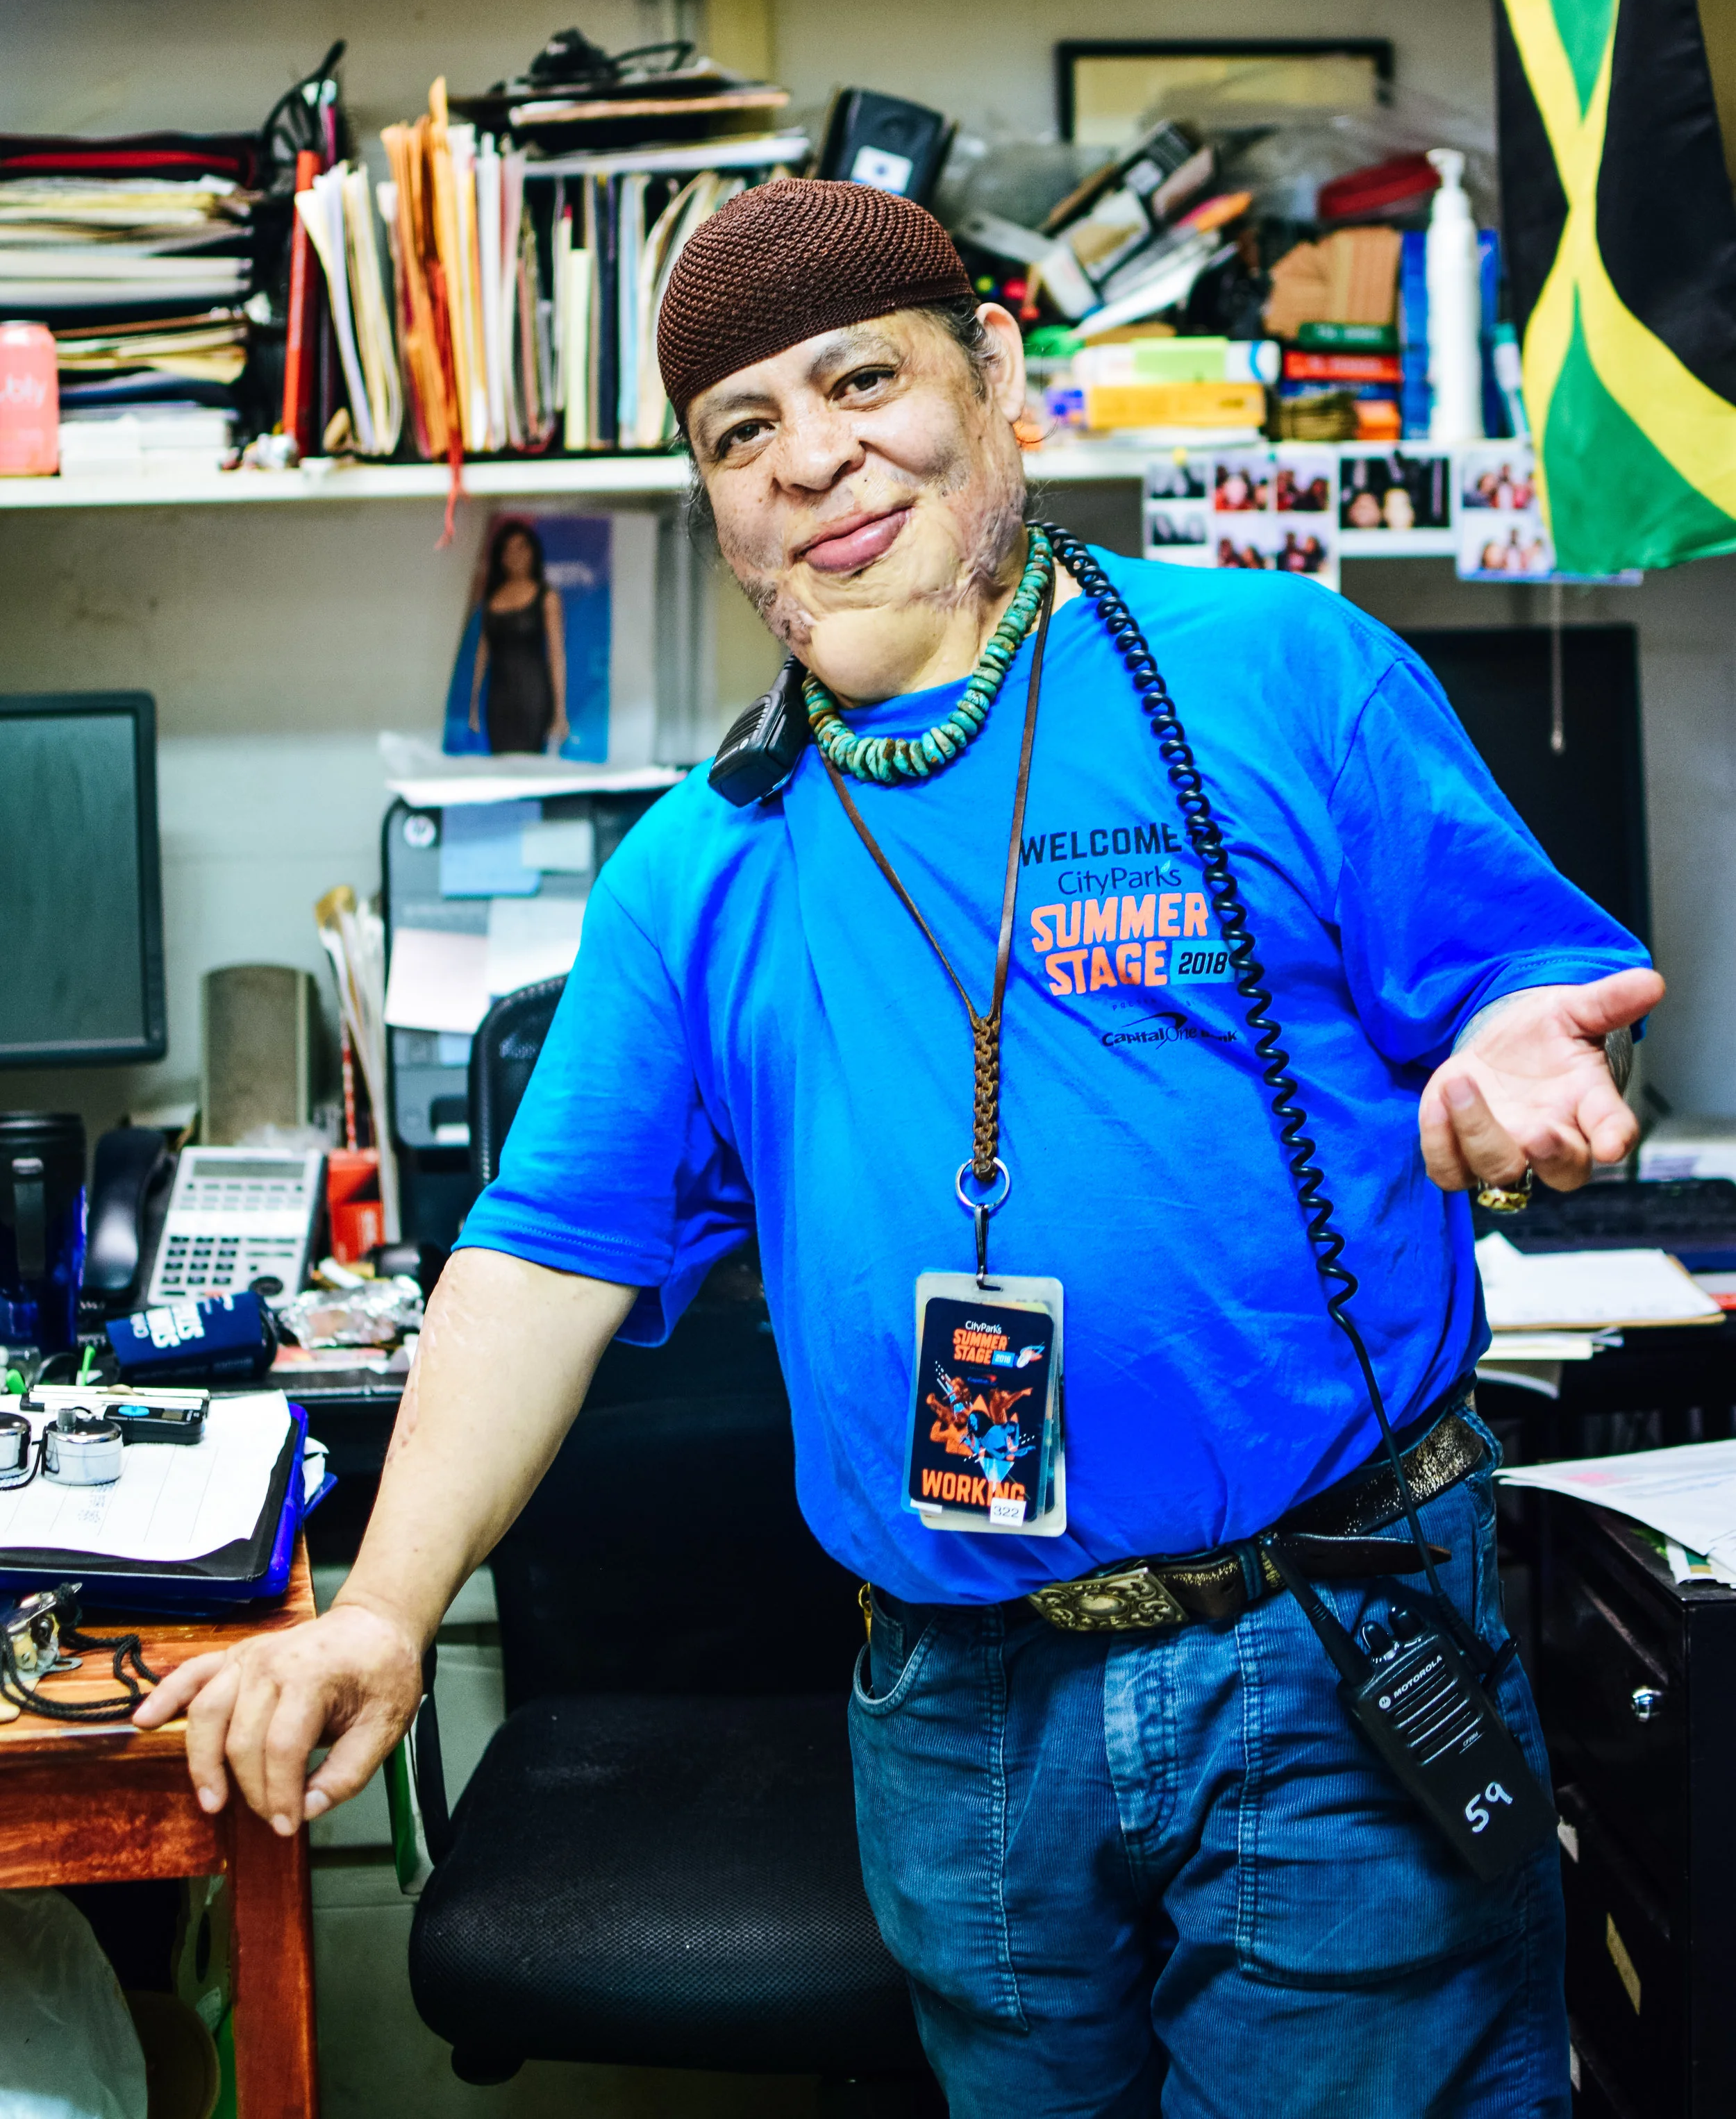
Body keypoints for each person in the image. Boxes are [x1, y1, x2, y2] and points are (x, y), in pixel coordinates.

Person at [137, 181, 1660, 2119]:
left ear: (995, 375)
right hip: (959, 1719)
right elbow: (540, 1255)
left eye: (861, 380)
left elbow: (1528, 987)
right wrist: (381, 1607)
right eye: (740, 430)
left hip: (1321, 1647)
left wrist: (1519, 1046)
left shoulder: (1282, 672)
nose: (811, 460)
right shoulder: (697, 865)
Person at [467, 518, 568, 754]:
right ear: (501, 557)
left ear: (532, 552)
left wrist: (560, 712)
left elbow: (556, 655)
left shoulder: (547, 597)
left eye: (521, 548)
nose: (516, 556)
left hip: (533, 696)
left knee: (529, 762)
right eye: (509, 550)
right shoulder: (491, 599)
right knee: (500, 762)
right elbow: (482, 652)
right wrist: (474, 702)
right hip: (499, 698)